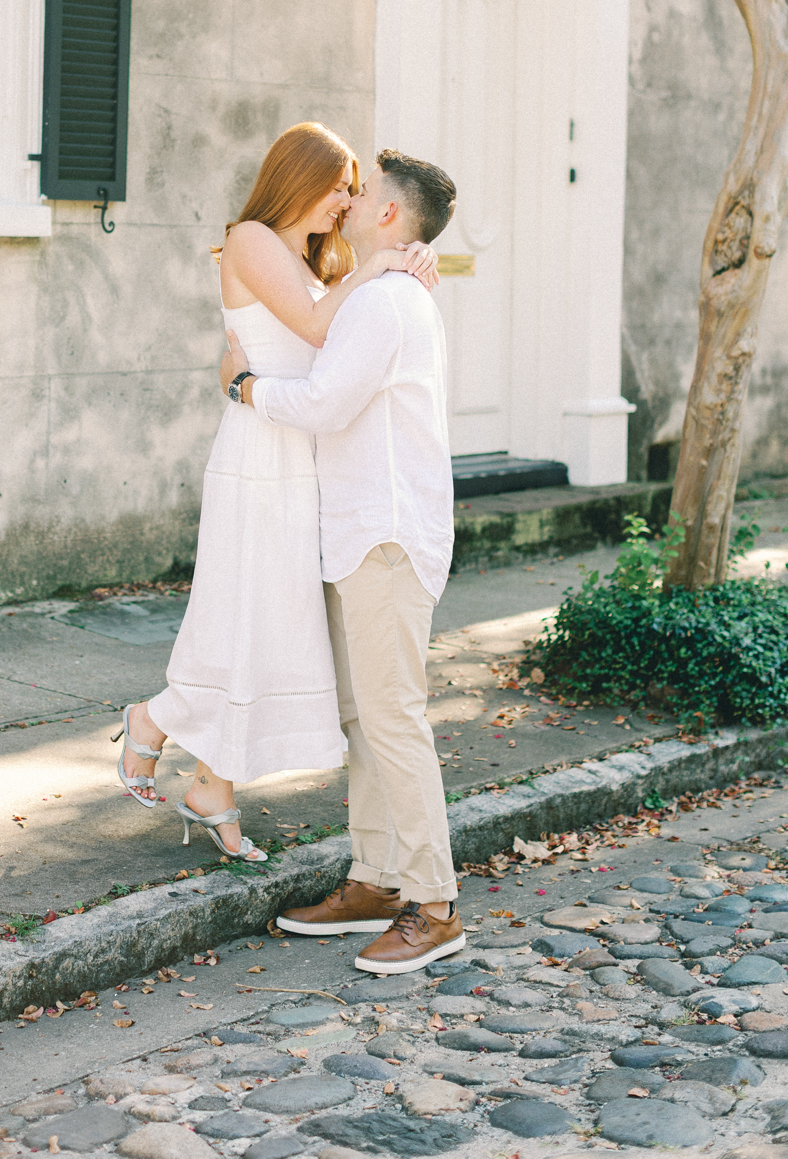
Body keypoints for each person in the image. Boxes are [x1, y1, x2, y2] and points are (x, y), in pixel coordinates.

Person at [112, 123, 437, 860]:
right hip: (260, 454)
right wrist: (387, 260)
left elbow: (348, 326)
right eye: (338, 186)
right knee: (242, 613)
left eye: (356, 189)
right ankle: (152, 721)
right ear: (298, 178)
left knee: (269, 625)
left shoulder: (319, 257)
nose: (347, 200)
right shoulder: (253, 237)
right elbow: (322, 327)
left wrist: (408, 258)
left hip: (301, 455)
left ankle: (212, 787)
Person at [219, 150, 462, 971]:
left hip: (386, 536)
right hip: (358, 533)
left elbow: (323, 403)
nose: (350, 202)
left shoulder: (387, 303)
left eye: (365, 196)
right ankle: (376, 880)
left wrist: (244, 387)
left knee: (393, 718)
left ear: (392, 216)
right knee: (363, 716)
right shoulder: (378, 291)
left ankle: (434, 902)